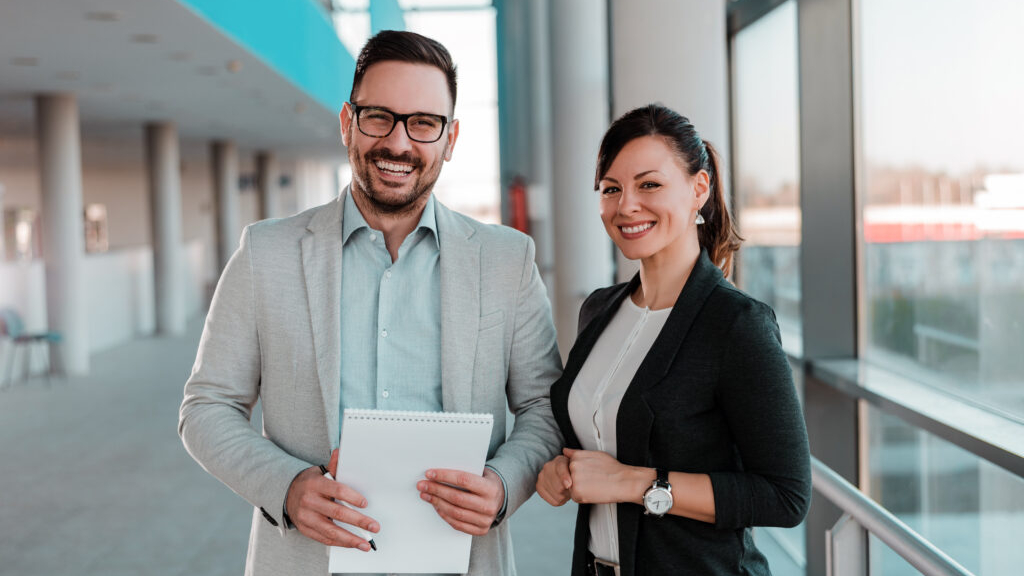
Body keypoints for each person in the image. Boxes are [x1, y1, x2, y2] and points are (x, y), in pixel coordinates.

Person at [179, 30, 563, 576]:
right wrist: (287, 487)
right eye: (379, 116)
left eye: (423, 123)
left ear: (450, 139)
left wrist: (501, 486)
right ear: (347, 123)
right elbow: (207, 407)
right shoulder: (266, 252)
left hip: (463, 561)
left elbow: (544, 408)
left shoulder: (508, 260)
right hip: (306, 561)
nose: (399, 144)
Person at [535, 104, 811, 576]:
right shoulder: (599, 310)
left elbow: (785, 496)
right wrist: (556, 469)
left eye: (649, 185)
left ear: (698, 189)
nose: (626, 206)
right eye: (610, 189)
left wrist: (633, 483)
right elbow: (598, 435)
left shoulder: (736, 324)